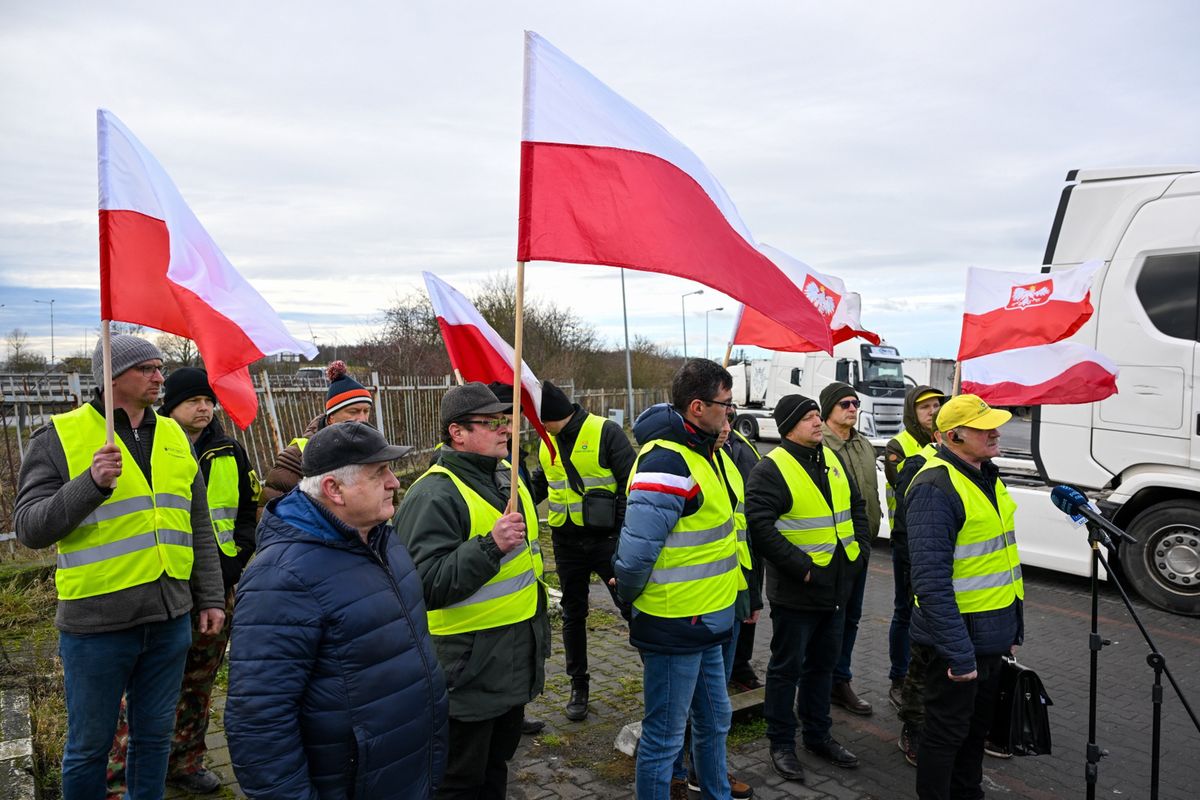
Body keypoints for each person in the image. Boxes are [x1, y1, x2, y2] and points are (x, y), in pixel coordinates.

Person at [13, 336, 225, 799]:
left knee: (153, 740)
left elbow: (198, 524)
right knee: (89, 747)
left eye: (160, 367)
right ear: (110, 376)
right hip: (97, 626)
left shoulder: (173, 435)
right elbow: (29, 528)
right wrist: (89, 483)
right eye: (147, 368)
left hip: (170, 621)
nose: (158, 377)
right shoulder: (58, 436)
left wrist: (209, 597)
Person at [225, 422, 448, 799]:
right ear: (333, 489)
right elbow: (259, 722)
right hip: (349, 783)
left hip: (405, 771)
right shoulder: (281, 578)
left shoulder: (382, 539)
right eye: (379, 473)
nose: (394, 482)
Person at [107, 368, 261, 795]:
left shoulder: (230, 450)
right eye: (194, 400)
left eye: (209, 401)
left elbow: (248, 512)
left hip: (217, 590)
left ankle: (186, 760)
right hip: (162, 591)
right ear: (169, 406)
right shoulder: (148, 448)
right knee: (143, 690)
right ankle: (121, 775)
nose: (204, 408)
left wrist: (234, 561)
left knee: (199, 683)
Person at [394, 382, 549, 799]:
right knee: (459, 781)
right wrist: (490, 547)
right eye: (491, 422)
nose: (505, 429)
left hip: (510, 663)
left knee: (495, 768)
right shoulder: (433, 494)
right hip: (466, 672)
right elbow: (423, 585)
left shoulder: (505, 478)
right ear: (456, 433)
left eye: (505, 420)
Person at [613, 359, 741, 800]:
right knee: (664, 738)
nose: (731, 413)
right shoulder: (667, 461)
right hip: (675, 623)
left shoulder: (703, 453)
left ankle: (716, 793)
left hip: (707, 621)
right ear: (698, 407)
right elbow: (632, 560)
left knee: (714, 721)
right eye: (726, 404)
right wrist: (632, 602)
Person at [907, 394, 1025, 800]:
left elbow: (1003, 561)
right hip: (956, 644)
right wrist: (958, 652)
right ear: (953, 436)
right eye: (984, 426)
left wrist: (1012, 629)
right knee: (944, 737)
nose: (995, 431)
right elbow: (930, 581)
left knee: (975, 735)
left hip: (989, 637)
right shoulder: (935, 487)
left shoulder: (986, 475)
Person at [747, 394, 868, 783]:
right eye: (809, 417)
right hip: (798, 592)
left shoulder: (830, 458)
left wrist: (859, 555)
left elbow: (857, 508)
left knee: (822, 667)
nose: (818, 422)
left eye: (818, 414)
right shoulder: (772, 469)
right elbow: (761, 528)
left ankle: (818, 735)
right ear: (788, 426)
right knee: (786, 670)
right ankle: (781, 743)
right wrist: (804, 571)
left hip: (836, 589)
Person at [530, 380, 635, 722]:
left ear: (549, 416)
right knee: (573, 614)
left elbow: (632, 484)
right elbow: (541, 483)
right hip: (566, 542)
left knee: (631, 607)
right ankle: (579, 685)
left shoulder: (606, 432)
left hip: (607, 542)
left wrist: (618, 529)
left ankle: (658, 673)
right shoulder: (546, 442)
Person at [819, 381, 881, 717]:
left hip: (863, 545)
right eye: (845, 403)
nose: (853, 408)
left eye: (855, 402)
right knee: (832, 619)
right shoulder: (819, 447)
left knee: (852, 618)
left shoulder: (863, 444)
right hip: (834, 550)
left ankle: (840, 679)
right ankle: (821, 679)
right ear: (828, 409)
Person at [890, 418, 943, 768]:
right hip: (929, 586)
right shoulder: (918, 467)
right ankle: (913, 727)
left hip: (975, 595)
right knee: (922, 662)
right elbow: (911, 530)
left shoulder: (986, 472)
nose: (994, 436)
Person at [260, 360, 373, 502]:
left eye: (366, 411)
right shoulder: (297, 456)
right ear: (331, 418)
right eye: (353, 411)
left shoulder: (371, 446)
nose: (362, 419)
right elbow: (271, 510)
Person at [725, 424, 764, 693]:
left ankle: (740, 665)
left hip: (747, 545)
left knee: (748, 609)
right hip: (713, 554)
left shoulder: (744, 445)